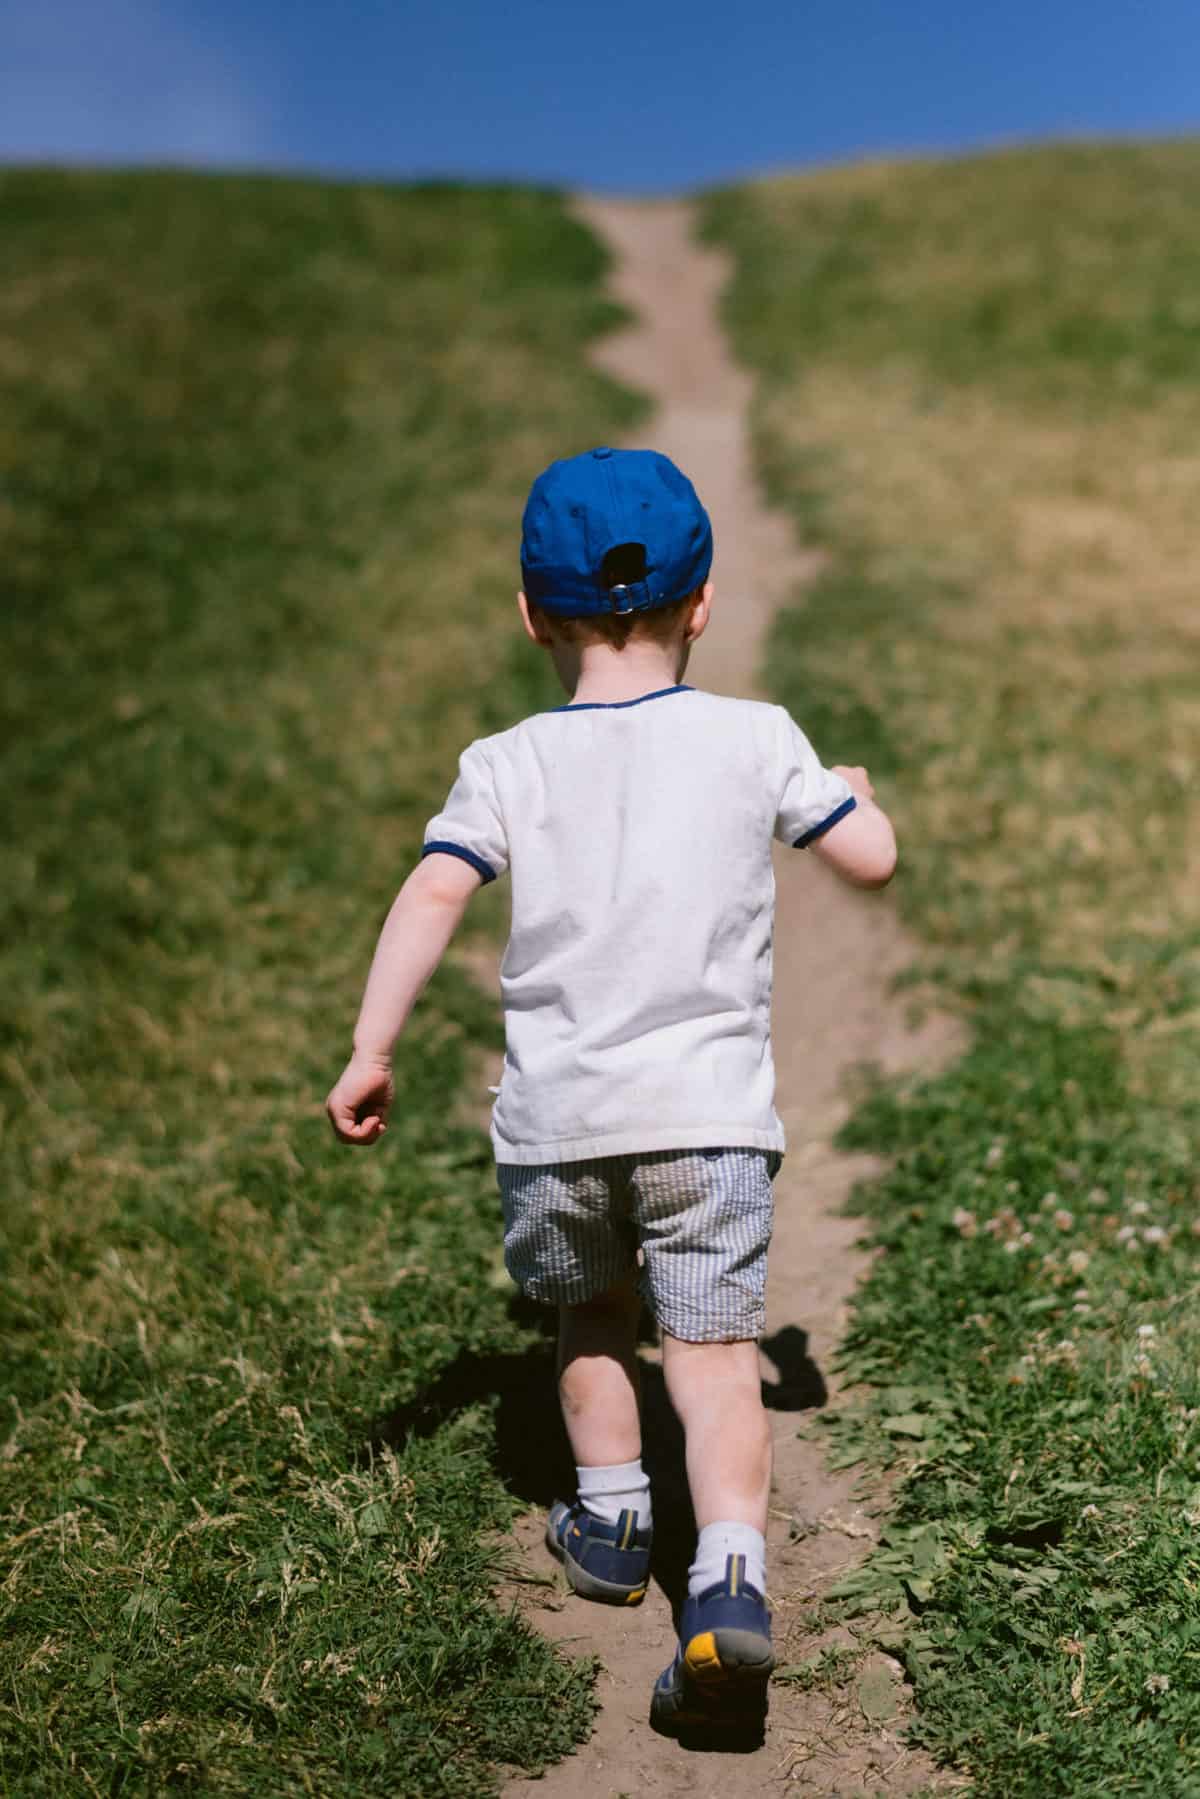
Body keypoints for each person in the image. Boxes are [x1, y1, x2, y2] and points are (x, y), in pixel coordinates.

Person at [326, 446, 897, 1735]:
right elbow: (871, 862)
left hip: (563, 1126)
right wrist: (855, 794)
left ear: (532, 614)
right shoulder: (759, 738)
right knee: (713, 1360)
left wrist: (372, 1046)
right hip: (709, 1127)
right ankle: (732, 1576)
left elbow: (431, 889)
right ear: (704, 604)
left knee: (591, 1318)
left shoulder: (506, 760)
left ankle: (612, 1523)